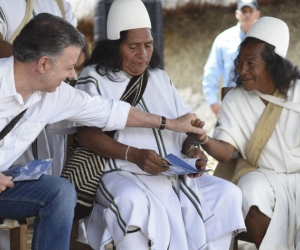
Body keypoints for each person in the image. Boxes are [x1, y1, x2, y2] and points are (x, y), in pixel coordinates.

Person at [0, 13, 203, 250]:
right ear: (44, 64)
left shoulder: (55, 95)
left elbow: (110, 111)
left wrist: (170, 123)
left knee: (61, 192)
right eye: (68, 67)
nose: (72, 75)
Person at [75, 0, 245, 249]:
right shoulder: (94, 78)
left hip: (171, 174)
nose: (143, 54)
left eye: (148, 45)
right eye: (133, 47)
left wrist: (190, 151)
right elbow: (86, 136)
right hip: (121, 172)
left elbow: (185, 127)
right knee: (132, 201)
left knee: (228, 194)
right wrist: (135, 156)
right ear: (114, 46)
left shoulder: (160, 78)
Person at [191, 16, 300, 249]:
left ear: (273, 63)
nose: (242, 70)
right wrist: (203, 139)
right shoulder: (236, 99)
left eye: (251, 63)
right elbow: (225, 151)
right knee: (249, 189)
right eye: (239, 62)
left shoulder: (298, 92)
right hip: (265, 176)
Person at [0, 0, 78, 178]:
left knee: (52, 177)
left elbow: (76, 51)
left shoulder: (59, 5)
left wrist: (59, 69)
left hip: (51, 96)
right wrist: (35, 70)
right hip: (12, 95)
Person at [202, 0, 260, 117]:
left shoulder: (266, 40)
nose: (247, 14)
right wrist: (213, 102)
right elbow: (211, 71)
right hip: (231, 104)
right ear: (237, 13)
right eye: (244, 10)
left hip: (258, 104)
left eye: (250, 11)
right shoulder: (223, 39)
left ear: (257, 14)